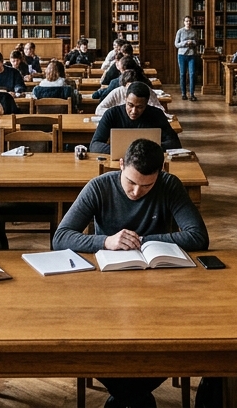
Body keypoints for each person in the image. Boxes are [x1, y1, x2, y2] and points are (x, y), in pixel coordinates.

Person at [52, 138, 210, 408]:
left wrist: (145, 239)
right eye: (131, 182)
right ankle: (134, 396)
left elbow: (198, 237)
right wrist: (106, 241)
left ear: (159, 174)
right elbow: (61, 237)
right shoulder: (100, 186)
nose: (136, 192)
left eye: (146, 185)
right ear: (121, 164)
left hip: (159, 286)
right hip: (105, 287)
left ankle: (124, 396)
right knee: (93, 343)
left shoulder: (169, 185)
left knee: (172, 340)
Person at [90, 82, 180, 155]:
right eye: (130, 105)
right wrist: (120, 151)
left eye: (140, 107)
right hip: (119, 162)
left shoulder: (156, 114)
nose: (134, 111)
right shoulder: (112, 114)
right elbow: (94, 145)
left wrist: (147, 150)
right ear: (125, 99)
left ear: (147, 104)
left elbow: (174, 143)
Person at [174, 15, 201, 101]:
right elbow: (176, 44)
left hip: (191, 55)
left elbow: (197, 42)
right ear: (184, 22)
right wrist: (185, 43)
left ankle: (192, 94)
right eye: (186, 21)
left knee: (192, 74)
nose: (188, 23)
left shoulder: (194, 32)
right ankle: (183, 93)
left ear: (191, 22)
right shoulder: (180, 32)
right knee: (182, 74)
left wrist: (192, 42)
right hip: (182, 55)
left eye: (189, 21)